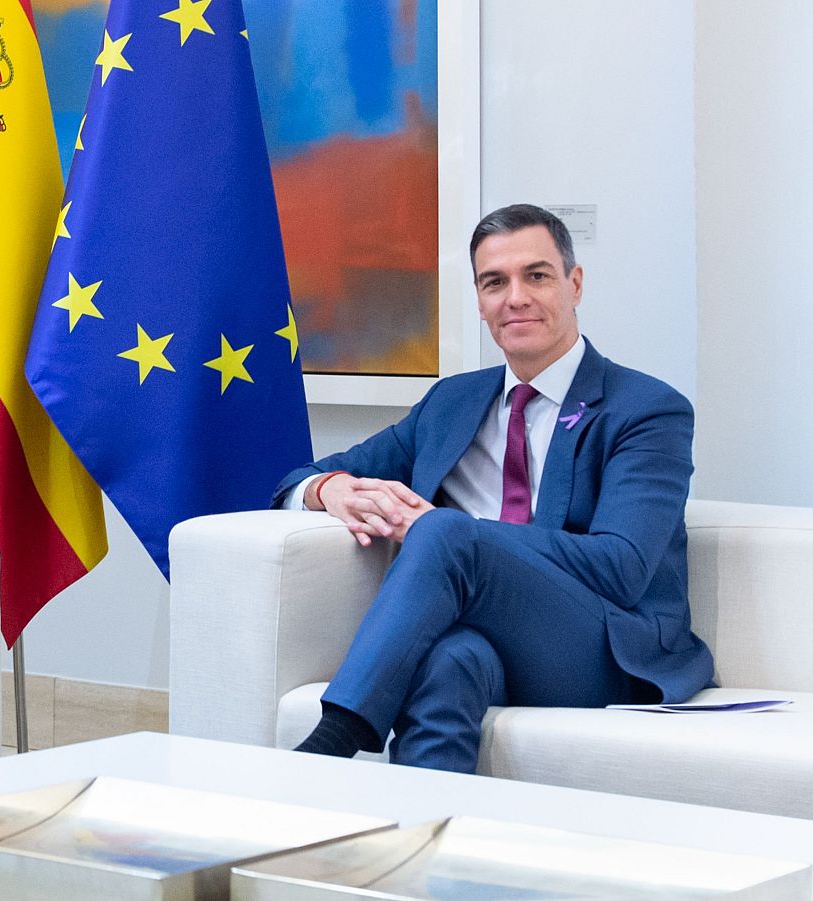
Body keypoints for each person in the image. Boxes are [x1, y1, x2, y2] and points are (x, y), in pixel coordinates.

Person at [272, 203, 713, 773]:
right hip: (496, 640)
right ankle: (423, 842)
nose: (516, 297)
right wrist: (329, 489)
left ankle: (334, 739)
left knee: (446, 531)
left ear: (574, 284)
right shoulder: (450, 403)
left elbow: (622, 568)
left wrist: (452, 535)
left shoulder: (646, 410)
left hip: (606, 645)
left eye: (537, 275)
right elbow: (295, 478)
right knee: (450, 660)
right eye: (494, 282)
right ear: (480, 302)